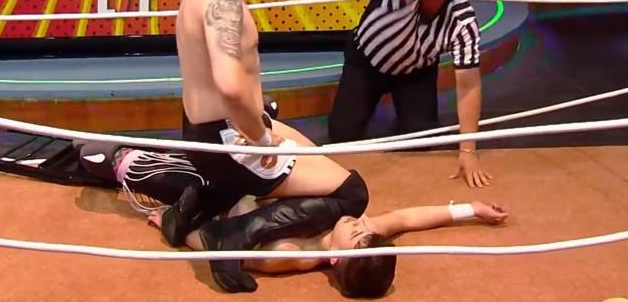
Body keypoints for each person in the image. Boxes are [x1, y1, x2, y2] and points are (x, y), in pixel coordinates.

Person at [165, 0, 371, 292]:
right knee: (351, 193)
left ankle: (189, 212)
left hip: (208, 131)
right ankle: (230, 237)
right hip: (230, 140)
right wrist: (261, 139)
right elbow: (230, 85)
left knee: (311, 157)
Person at [76, 139, 508, 298]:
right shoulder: (346, 219)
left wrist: (175, 227)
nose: (361, 226)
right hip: (246, 177)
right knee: (342, 192)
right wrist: (469, 210)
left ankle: (114, 162)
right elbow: (408, 218)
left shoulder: (291, 254)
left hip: (213, 202)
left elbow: (217, 241)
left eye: (359, 237)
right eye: (367, 232)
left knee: (132, 165)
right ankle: (262, 130)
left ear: (337, 260)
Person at [328, 0, 509, 188]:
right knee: (342, 136)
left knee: (421, 140)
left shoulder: (462, 19)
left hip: (416, 70)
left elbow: (469, 85)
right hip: (367, 61)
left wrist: (468, 150)